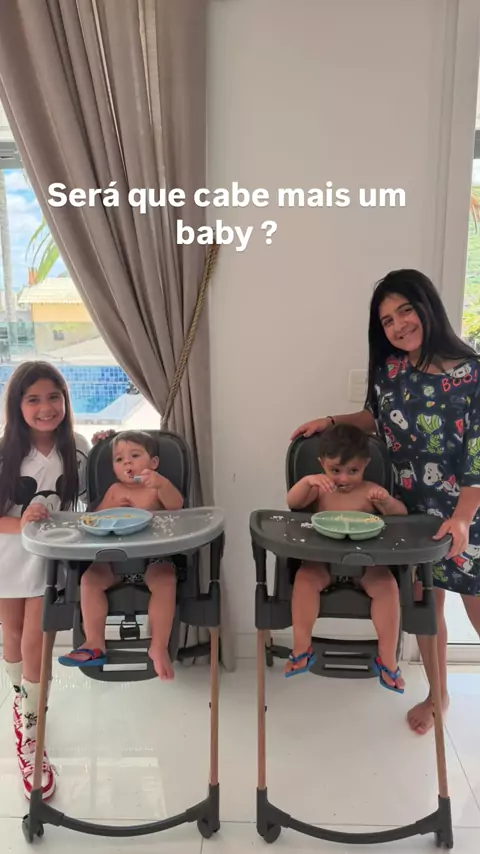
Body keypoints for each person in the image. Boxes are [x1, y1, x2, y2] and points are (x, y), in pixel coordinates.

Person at [291, 268, 480, 734]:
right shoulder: (391, 369)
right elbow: (377, 418)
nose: (398, 326)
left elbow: (478, 455)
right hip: (409, 514)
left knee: (476, 605)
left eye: (405, 311)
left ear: (427, 308)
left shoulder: (473, 374)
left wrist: (461, 517)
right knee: (427, 608)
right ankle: (438, 695)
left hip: (467, 512)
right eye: (387, 320)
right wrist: (331, 420)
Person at [0, 361, 90, 801]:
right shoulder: (4, 454)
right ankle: (24, 709)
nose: (46, 407)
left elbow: (88, 505)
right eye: (33, 399)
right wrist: (22, 523)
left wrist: (109, 452)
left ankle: (31, 742)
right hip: (6, 558)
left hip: (48, 562)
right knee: (13, 637)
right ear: (17, 406)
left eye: (54, 397)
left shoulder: (78, 450)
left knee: (37, 642)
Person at [285, 423, 407, 691]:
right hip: (323, 561)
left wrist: (386, 501)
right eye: (335, 470)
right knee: (305, 580)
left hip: (366, 562)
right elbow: (293, 503)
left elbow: (400, 516)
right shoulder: (319, 488)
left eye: (353, 471)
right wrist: (307, 482)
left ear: (366, 464)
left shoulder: (370, 491)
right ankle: (302, 648)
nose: (343, 478)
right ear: (322, 464)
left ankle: (387, 659)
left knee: (387, 587)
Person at [58, 431, 184, 681]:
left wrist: (161, 484)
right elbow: (94, 518)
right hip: (113, 559)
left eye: (135, 456)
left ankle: (158, 646)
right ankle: (94, 642)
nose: (127, 462)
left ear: (153, 463)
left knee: (165, 580)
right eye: (119, 459)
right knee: (90, 580)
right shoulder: (115, 490)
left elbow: (177, 507)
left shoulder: (156, 487)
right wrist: (110, 508)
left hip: (153, 557)